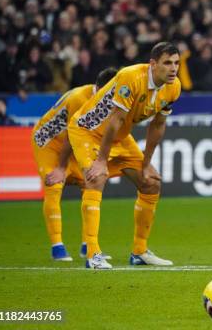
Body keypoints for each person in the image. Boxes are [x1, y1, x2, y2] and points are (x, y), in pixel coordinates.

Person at [68, 42, 181, 269]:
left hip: (119, 136)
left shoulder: (173, 87)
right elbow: (115, 119)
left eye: (176, 63)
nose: (173, 68)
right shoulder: (131, 77)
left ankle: (139, 252)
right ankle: (93, 254)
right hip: (88, 131)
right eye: (167, 63)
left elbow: (157, 126)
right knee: (96, 177)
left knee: (151, 182)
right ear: (153, 64)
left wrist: (146, 164)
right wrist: (101, 160)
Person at [32, 68, 118, 261]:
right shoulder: (81, 99)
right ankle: (57, 246)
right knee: (54, 184)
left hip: (71, 144)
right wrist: (61, 168)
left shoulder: (102, 99)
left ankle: (87, 245)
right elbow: (72, 135)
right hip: (48, 141)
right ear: (101, 88)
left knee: (89, 183)